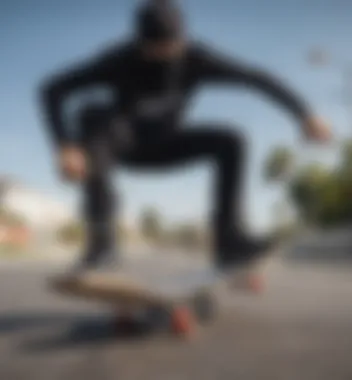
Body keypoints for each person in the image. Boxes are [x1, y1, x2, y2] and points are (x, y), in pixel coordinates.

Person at [39, 0, 331, 275]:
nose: (165, 55)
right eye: (156, 50)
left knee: (231, 140)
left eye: (171, 47)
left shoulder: (196, 59)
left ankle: (229, 243)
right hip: (122, 147)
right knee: (92, 115)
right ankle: (101, 245)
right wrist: (65, 146)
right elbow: (52, 89)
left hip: (167, 145)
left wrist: (304, 114)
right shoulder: (119, 59)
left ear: (182, 38)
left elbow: (256, 78)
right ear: (141, 45)